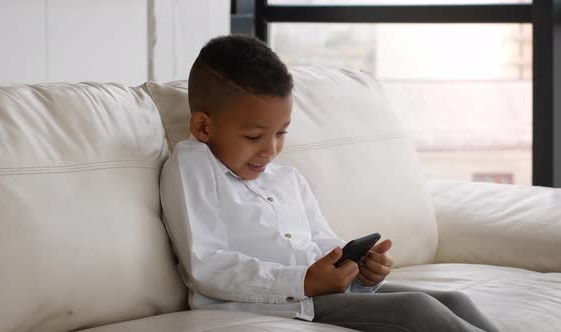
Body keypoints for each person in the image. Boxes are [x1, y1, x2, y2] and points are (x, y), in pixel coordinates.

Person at [159, 34, 499, 332]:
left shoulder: (286, 179)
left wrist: (355, 268)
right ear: (203, 128)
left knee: (454, 299)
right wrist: (303, 281)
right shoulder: (193, 164)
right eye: (253, 136)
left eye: (281, 132)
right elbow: (209, 264)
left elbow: (321, 242)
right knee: (417, 310)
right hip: (271, 305)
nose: (271, 149)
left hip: (318, 293)